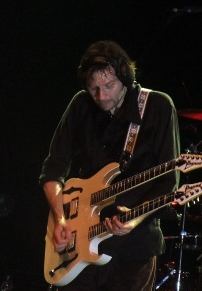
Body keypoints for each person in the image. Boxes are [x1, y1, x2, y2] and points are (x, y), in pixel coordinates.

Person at [39, 40, 180, 291]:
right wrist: (60, 219)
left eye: (109, 86)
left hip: (133, 249)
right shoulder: (80, 105)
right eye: (94, 88)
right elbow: (53, 169)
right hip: (79, 246)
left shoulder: (157, 106)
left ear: (125, 77)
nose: (101, 96)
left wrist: (134, 220)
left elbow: (169, 181)